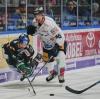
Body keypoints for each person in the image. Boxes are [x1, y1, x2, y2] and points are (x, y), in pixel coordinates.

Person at [27, 7, 67, 83]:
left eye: (38, 15)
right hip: (46, 45)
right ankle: (53, 73)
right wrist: (32, 33)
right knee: (47, 63)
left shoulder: (49, 24)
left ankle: (61, 75)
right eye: (35, 15)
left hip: (58, 43)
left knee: (61, 58)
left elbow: (60, 36)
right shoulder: (34, 22)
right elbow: (38, 32)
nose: (36, 17)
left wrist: (57, 45)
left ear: (42, 15)